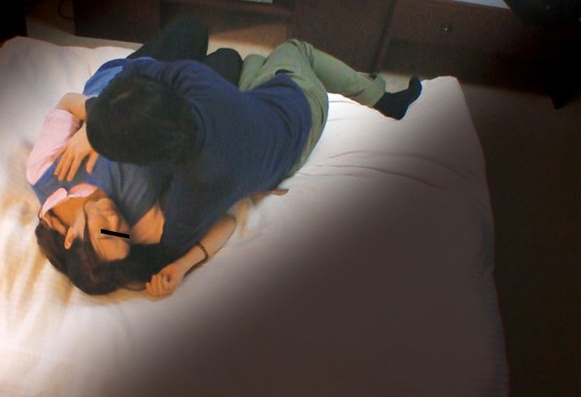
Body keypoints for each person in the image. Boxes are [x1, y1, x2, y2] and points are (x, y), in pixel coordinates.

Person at [72, 39, 422, 270]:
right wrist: (101, 114)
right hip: (266, 112)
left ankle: (384, 101)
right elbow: (139, 70)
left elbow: (166, 249)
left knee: (287, 52)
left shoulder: (198, 185)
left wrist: (97, 119)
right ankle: (379, 95)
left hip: (297, 110)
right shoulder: (193, 80)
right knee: (267, 56)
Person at [29, 17, 242, 296]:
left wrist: (94, 127)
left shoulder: (44, 174)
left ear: (71, 237)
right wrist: (182, 265)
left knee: (195, 28)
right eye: (121, 234)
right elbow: (226, 222)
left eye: (104, 232)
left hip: (129, 81)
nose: (115, 221)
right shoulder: (142, 228)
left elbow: (68, 102)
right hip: (177, 112)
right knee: (230, 59)